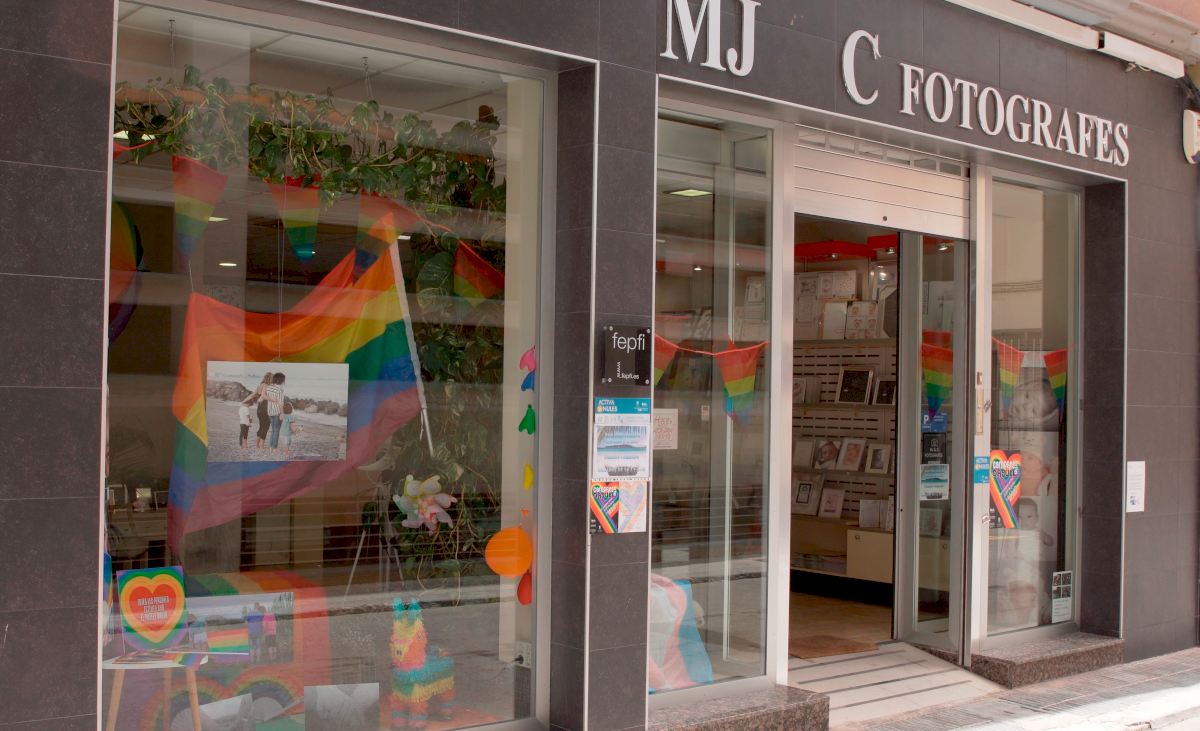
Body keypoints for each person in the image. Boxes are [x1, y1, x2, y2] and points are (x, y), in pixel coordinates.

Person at [265, 373, 286, 453]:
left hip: (270, 411)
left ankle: (271, 447)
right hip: (277, 411)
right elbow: (280, 403)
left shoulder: (269, 387)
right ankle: (274, 448)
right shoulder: (280, 389)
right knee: (276, 430)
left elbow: (266, 397)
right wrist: (282, 413)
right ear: (281, 380)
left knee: (273, 430)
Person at [252, 372, 273, 448]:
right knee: (266, 426)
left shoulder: (260, 385)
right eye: (272, 378)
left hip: (259, 408)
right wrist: (273, 399)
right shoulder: (266, 386)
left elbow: (253, 395)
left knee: (261, 426)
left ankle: (257, 444)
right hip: (264, 408)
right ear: (269, 378)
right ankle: (261, 445)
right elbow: (263, 396)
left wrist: (245, 402)